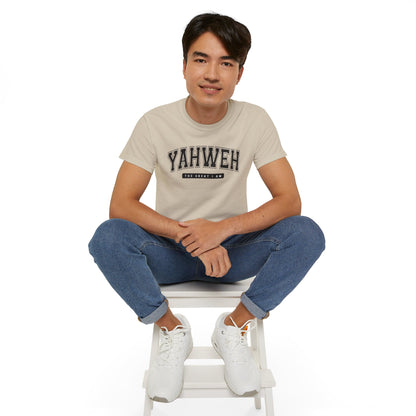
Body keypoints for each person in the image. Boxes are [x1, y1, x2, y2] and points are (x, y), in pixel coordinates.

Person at [88, 13, 325, 403]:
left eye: (226, 63)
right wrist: (191, 236)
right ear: (184, 66)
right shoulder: (154, 123)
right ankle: (171, 329)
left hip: (233, 255)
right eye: (201, 60)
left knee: (306, 233)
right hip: (170, 252)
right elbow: (121, 204)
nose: (212, 74)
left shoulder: (255, 120)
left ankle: (233, 326)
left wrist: (223, 230)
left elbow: (289, 201)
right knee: (108, 238)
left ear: (239, 74)